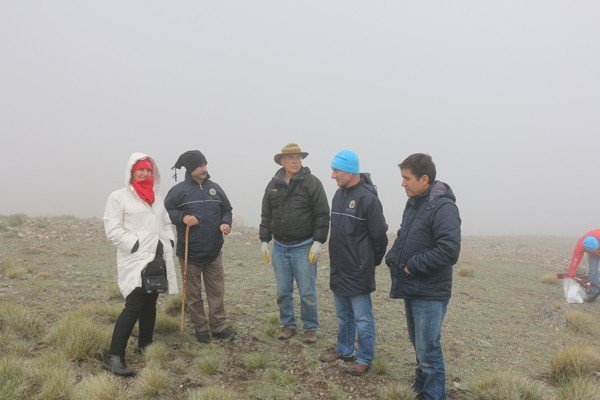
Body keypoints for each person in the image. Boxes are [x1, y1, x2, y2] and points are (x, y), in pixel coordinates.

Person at [385, 153, 461, 400]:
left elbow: (449, 249)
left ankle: (434, 395)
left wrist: (412, 265)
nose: (402, 183)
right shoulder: (415, 203)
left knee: (428, 349)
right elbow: (404, 234)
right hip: (413, 286)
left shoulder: (443, 207)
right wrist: (394, 256)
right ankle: (421, 386)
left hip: (429, 291)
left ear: (424, 178)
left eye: (406, 178)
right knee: (418, 343)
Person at [103, 153, 179, 376]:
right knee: (134, 305)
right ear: (131, 171)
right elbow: (113, 228)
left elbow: (165, 222)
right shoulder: (119, 197)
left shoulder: (157, 196)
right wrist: (134, 245)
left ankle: (146, 345)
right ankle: (114, 356)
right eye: (140, 169)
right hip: (135, 259)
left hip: (157, 256)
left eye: (148, 169)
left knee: (150, 302)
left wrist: (169, 241)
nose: (145, 173)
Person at [319, 150, 388, 376]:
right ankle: (345, 350)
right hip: (339, 267)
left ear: (350, 170)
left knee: (362, 318)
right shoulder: (339, 195)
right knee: (343, 315)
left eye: (336, 170)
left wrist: (368, 262)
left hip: (358, 269)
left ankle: (365, 358)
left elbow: (379, 237)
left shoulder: (368, 198)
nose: (332, 175)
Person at [259, 143, 330, 343]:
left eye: (298, 158)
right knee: (283, 290)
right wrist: (264, 240)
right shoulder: (272, 184)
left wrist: (318, 241)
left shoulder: (311, 182)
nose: (295, 161)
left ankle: (310, 327)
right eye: (291, 158)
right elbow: (266, 214)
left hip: (304, 247)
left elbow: (323, 214)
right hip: (280, 248)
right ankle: (287, 324)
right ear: (282, 161)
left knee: (307, 291)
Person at [164, 150, 236, 343]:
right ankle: (200, 328)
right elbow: (166, 212)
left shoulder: (215, 188)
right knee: (194, 294)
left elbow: (226, 209)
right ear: (190, 169)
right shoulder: (179, 191)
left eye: (205, 164)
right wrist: (182, 217)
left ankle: (219, 327)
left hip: (213, 251)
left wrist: (226, 223)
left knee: (216, 291)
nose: (204, 169)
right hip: (190, 252)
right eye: (199, 166)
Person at [566, 229, 600, 302]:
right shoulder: (580, 245)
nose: (596, 251)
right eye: (592, 250)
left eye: (596, 249)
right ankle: (592, 293)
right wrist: (571, 273)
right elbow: (575, 260)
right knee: (593, 270)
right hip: (593, 254)